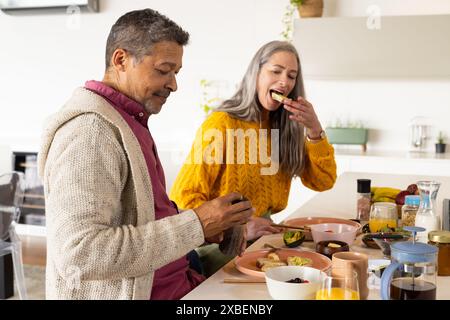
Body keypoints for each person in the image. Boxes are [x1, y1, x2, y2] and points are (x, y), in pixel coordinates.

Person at [37, 9, 254, 300]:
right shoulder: (89, 133)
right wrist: (196, 225)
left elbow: (142, 215)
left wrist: (205, 226)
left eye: (175, 73)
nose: (174, 85)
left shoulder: (128, 120)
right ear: (121, 60)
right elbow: (80, 254)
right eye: (163, 70)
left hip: (184, 281)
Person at [170, 40, 337, 276]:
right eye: (276, 71)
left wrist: (314, 130)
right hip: (221, 248)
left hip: (262, 241)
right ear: (256, 74)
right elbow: (182, 201)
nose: (284, 81)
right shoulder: (221, 124)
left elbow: (323, 181)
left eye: (291, 76)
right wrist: (239, 229)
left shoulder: (285, 128)